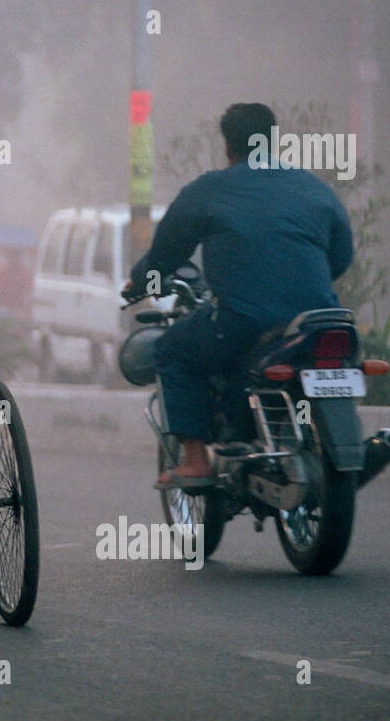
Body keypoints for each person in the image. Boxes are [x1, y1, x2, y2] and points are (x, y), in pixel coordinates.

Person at [123, 102, 354, 487]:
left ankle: (196, 460)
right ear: (274, 141)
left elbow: (167, 254)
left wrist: (140, 282)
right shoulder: (315, 189)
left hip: (245, 322)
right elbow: (341, 256)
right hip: (319, 321)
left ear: (228, 146)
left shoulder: (210, 190)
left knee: (173, 350)